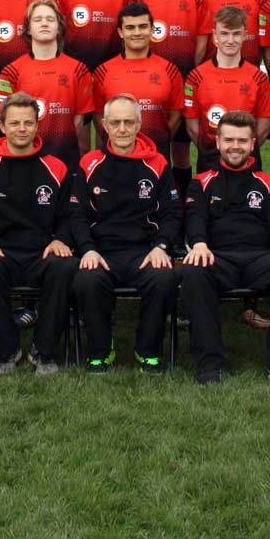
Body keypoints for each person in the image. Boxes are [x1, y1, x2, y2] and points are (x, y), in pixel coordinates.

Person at [181, 112, 270, 385]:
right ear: (217, 143)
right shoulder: (201, 182)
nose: (235, 146)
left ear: (253, 143)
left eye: (242, 140)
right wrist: (199, 244)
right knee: (193, 270)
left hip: (259, 259)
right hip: (218, 258)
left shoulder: (267, 183)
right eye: (229, 139)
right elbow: (195, 219)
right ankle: (209, 364)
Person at [69, 94, 182, 374]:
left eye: (128, 122)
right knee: (87, 279)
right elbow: (77, 214)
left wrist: (161, 247)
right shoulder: (89, 163)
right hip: (102, 251)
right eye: (116, 122)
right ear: (104, 125)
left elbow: (172, 214)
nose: (122, 129)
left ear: (139, 124)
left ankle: (148, 351)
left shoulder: (158, 164)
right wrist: (87, 249)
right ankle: (101, 351)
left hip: (144, 251)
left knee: (164, 278)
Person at [0, 93, 78, 374]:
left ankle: (44, 351)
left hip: (43, 252)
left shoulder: (56, 167)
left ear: (37, 126)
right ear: (2, 127)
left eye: (28, 123)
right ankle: (7, 350)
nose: (22, 129)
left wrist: (60, 239)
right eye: (14, 123)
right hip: (1, 251)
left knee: (65, 267)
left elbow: (69, 215)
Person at [134, 0, 204, 200]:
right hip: (150, 84)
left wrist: (188, 75)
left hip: (185, 79)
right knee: (150, 148)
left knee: (182, 153)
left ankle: (184, 211)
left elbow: (200, 39)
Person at [0, 0, 93, 166]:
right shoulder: (10, 72)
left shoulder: (79, 70)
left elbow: (78, 122)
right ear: (28, 29)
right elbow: (8, 121)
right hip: (24, 160)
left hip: (65, 160)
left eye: (50, 19)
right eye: (37, 19)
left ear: (59, 28)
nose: (44, 24)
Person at [182, 5, 270, 171]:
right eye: (224, 33)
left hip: (248, 160)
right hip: (209, 158)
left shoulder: (259, 78)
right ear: (215, 35)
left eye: (236, 33)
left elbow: (264, 127)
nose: (230, 40)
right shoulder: (196, 77)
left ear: (245, 35)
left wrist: (240, 153)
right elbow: (192, 127)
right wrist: (216, 150)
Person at [91, 2, 184, 160]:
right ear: (120, 32)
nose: (137, 32)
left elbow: (175, 115)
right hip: (117, 153)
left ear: (152, 30)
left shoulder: (170, 70)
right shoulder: (103, 71)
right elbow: (99, 115)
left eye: (143, 26)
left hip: (157, 154)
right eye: (130, 27)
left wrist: (158, 140)